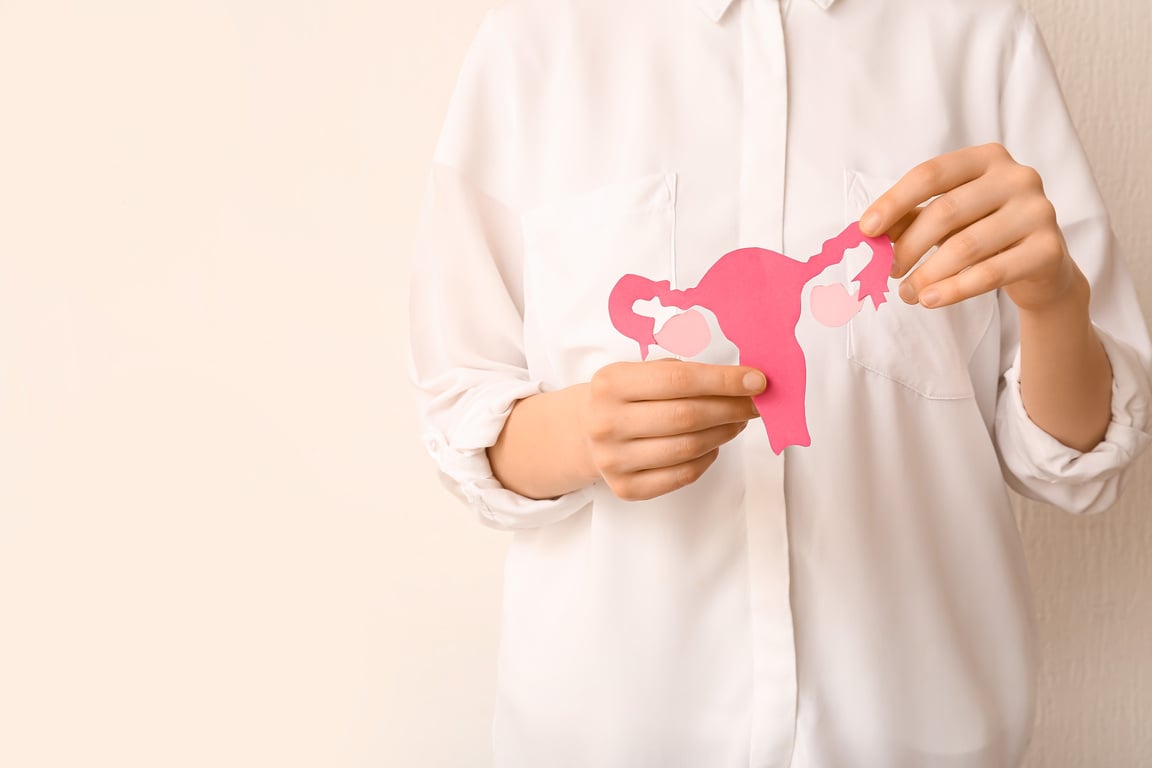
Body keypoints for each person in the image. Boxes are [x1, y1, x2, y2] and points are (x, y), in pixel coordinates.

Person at [407, 0, 1152, 765]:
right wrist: (581, 433)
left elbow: (1075, 462)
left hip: (920, 733)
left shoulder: (975, 33)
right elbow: (463, 412)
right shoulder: (539, 38)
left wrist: (1054, 297)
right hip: (609, 733)